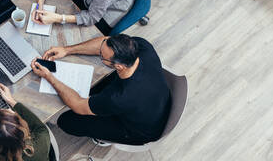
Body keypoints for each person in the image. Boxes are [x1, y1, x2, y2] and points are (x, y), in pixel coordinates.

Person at [31, 34, 171, 145]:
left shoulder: (118, 98)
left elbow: (78, 105)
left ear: (119, 66)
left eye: (101, 56)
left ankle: (103, 136)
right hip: (156, 102)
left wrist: (48, 76)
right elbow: (105, 41)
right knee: (94, 90)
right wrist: (67, 50)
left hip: (139, 131)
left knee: (66, 121)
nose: (99, 53)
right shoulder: (141, 46)